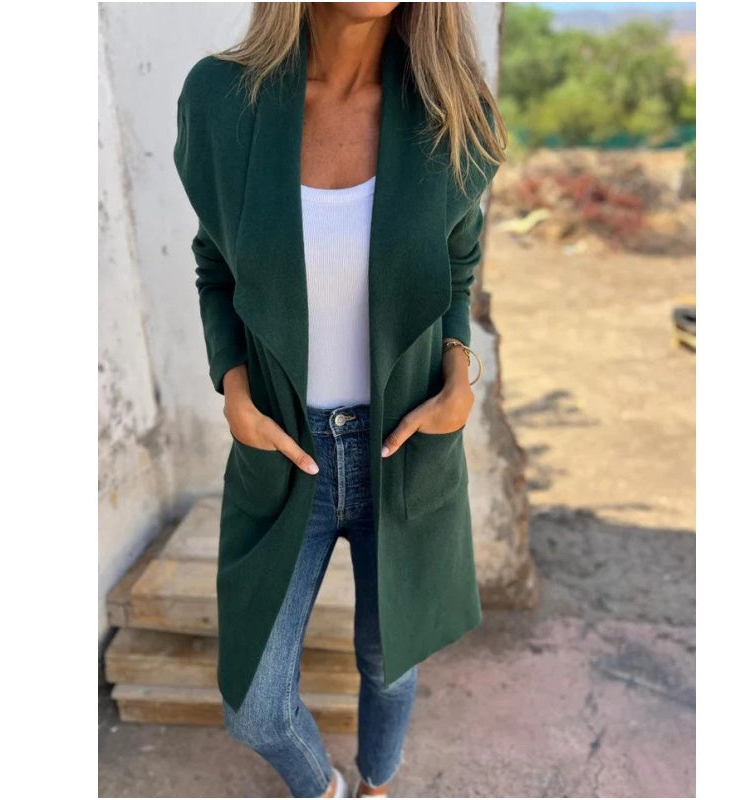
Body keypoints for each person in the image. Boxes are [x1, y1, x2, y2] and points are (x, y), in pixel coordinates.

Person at [173, 2, 506, 797]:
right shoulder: (222, 100)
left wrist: (460, 374)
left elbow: (457, 269)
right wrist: (233, 385)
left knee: (390, 662)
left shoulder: (454, 108)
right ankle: (323, 788)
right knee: (256, 706)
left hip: (405, 445)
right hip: (286, 451)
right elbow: (215, 265)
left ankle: (378, 785)